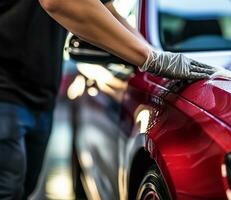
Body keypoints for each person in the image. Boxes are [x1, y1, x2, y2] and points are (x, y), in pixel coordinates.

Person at [0, 0, 215, 199]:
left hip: (39, 98)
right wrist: (150, 59)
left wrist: (154, 53)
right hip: (5, 93)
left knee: (22, 190)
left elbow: (105, 9)